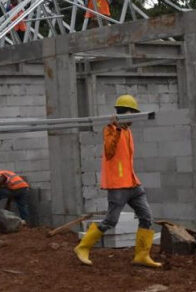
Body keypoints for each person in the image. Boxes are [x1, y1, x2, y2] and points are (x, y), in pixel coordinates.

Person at [73, 94, 161, 268]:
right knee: (110, 221)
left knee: (146, 217)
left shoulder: (128, 131)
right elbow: (109, 151)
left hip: (133, 183)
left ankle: (142, 255)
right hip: (118, 185)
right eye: (132, 113)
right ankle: (82, 247)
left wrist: (123, 129)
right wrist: (117, 128)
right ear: (124, 113)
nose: (134, 118)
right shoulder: (111, 129)